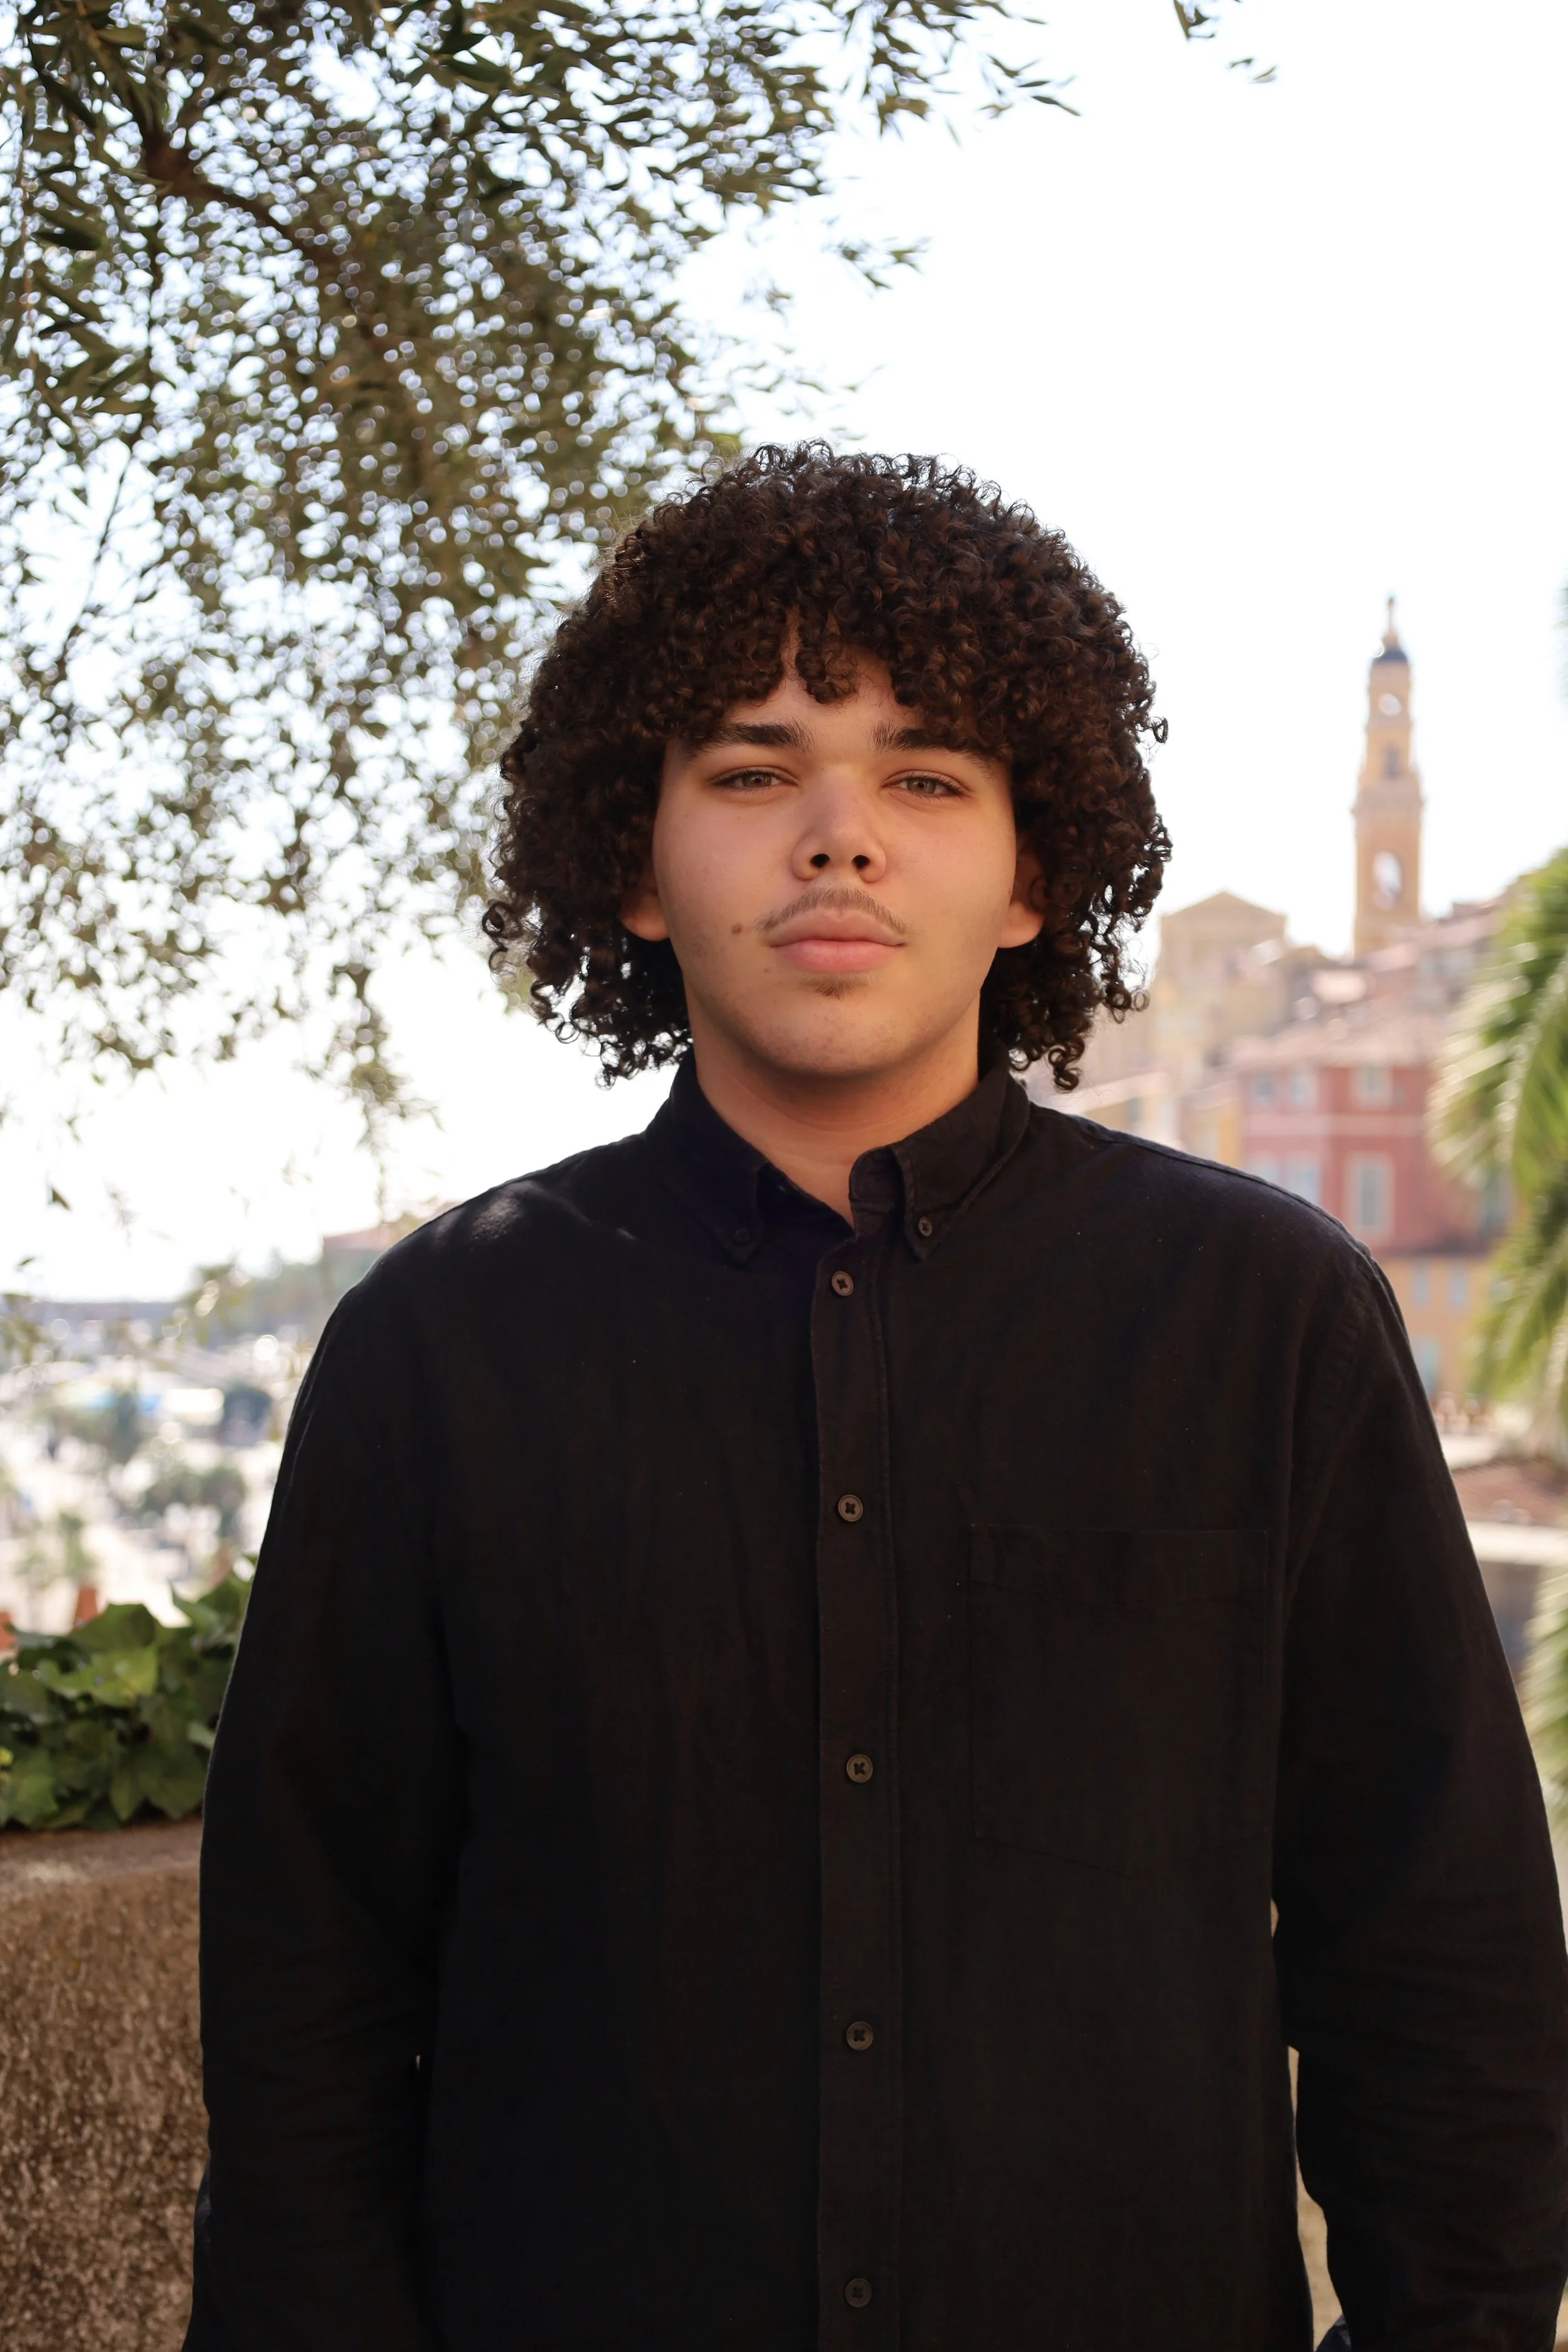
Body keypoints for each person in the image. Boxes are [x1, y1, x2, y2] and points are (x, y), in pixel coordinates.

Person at [187, 446, 1568, 2352]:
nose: (838, 838)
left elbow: (1442, 1974)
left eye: (924, 778)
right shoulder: (435, 1350)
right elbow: (305, 2012)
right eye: (755, 773)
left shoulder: (1271, 1325)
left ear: (1033, 875)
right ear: (636, 862)